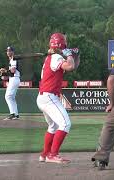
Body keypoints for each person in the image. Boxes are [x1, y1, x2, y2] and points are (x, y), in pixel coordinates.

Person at [37, 33, 80, 164]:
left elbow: (73, 65)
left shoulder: (52, 57)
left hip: (44, 97)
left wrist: (75, 56)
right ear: (62, 44)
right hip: (49, 97)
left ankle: (44, 154)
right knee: (65, 124)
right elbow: (70, 66)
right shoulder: (55, 57)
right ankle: (53, 154)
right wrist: (68, 54)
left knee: (53, 126)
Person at [2, 46, 21, 120]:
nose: (8, 52)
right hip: (13, 79)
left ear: (13, 52)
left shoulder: (14, 59)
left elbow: (13, 70)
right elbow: (11, 74)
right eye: (7, 51)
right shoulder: (11, 60)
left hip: (15, 79)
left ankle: (12, 114)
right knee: (11, 97)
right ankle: (15, 114)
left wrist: (5, 72)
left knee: (8, 96)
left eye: (10, 51)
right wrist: (5, 76)